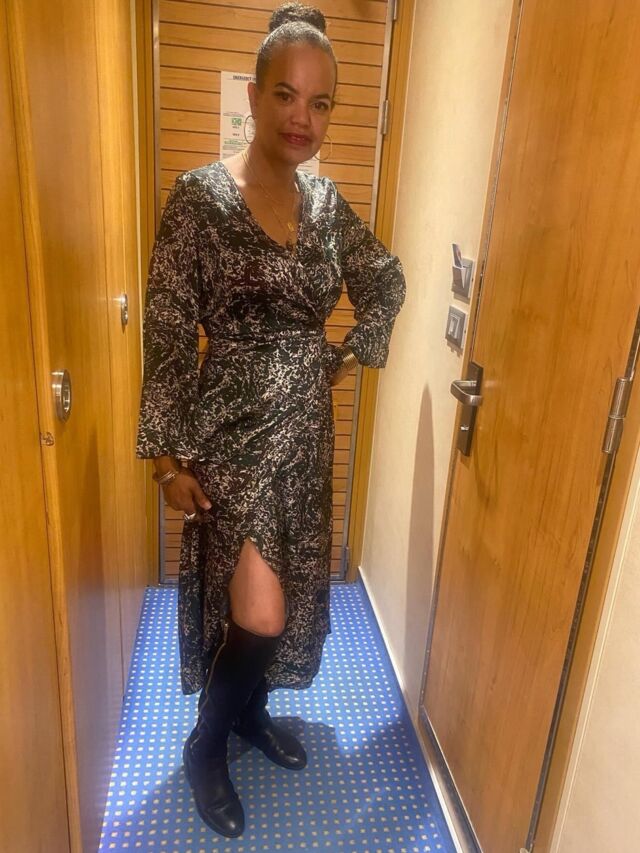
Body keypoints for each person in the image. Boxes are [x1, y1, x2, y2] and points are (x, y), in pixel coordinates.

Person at [136, 1, 406, 839]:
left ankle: (249, 711)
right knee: (259, 612)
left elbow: (386, 281)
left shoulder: (327, 205)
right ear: (253, 96)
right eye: (286, 94)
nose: (302, 117)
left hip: (306, 439)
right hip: (233, 437)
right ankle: (206, 743)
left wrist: (343, 357)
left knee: (282, 596)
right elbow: (168, 330)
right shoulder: (199, 199)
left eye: (321, 103)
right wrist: (167, 461)